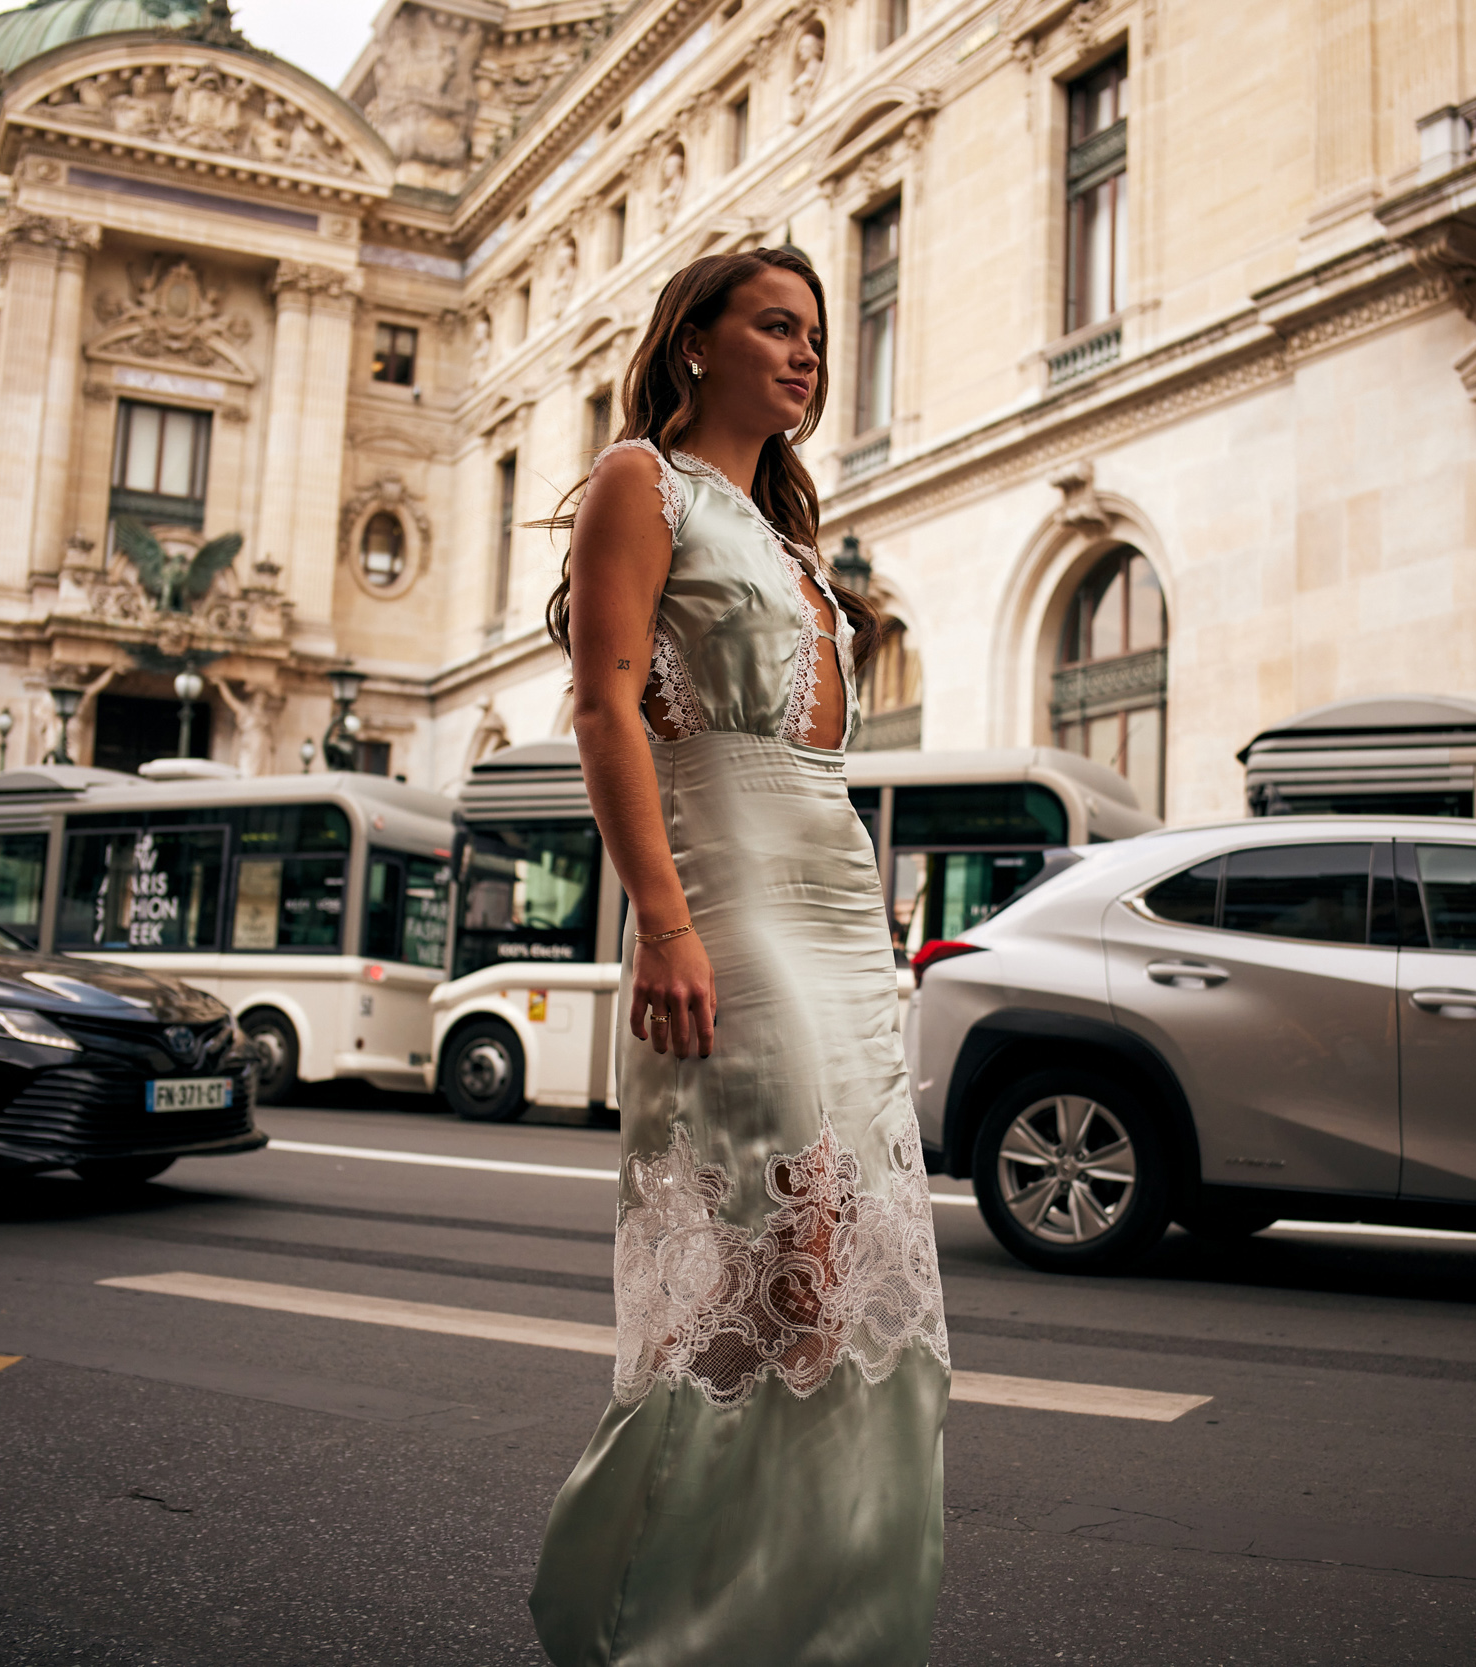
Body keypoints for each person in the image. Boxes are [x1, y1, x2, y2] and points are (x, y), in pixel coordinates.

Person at [525, 247, 951, 1666]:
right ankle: (656, 1612)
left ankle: (802, 1616)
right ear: (694, 341)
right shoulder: (640, 486)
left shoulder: (798, 547)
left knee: (836, 1275)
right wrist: (664, 918)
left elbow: (817, 756)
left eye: (817, 333)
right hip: (729, 893)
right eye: (775, 324)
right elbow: (604, 710)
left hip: (833, 893)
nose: (806, 352)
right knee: (789, 1252)